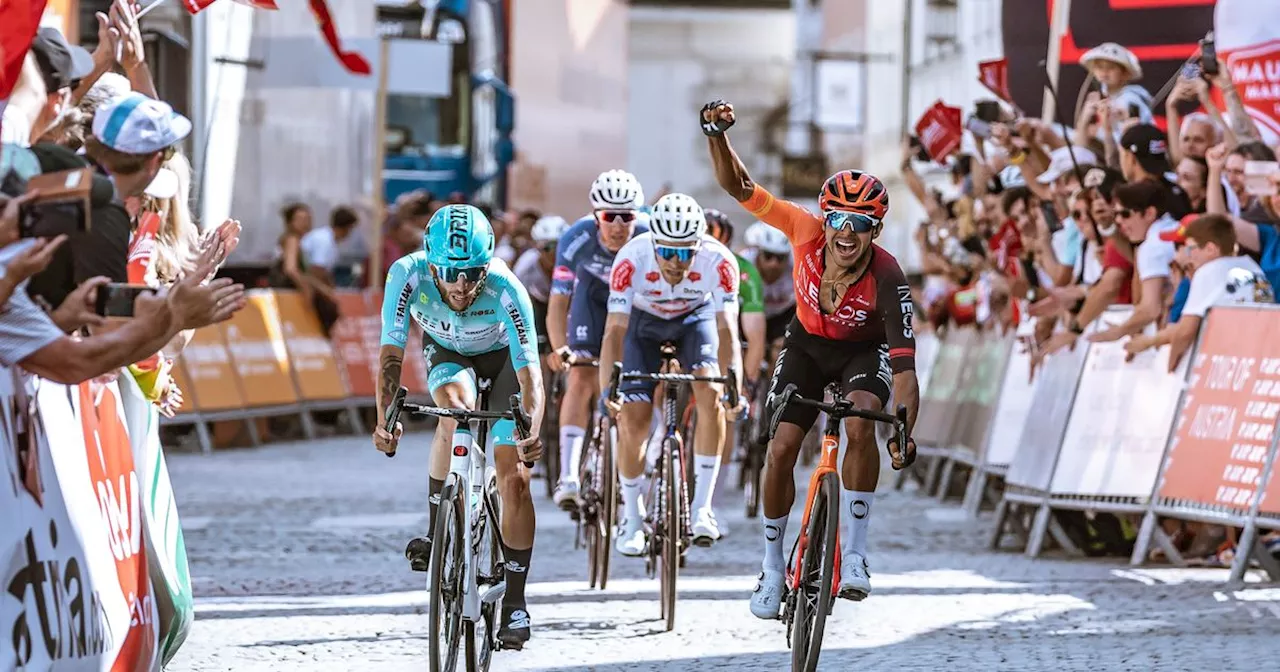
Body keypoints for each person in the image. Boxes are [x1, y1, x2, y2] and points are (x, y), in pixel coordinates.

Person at [701, 99, 919, 616]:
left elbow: (907, 370)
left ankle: (858, 554)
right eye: (838, 219)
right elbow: (741, 188)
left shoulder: (889, 277)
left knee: (863, 426)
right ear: (826, 219)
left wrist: (906, 433)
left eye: (860, 223)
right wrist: (716, 135)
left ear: (875, 230)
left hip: (862, 353)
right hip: (805, 346)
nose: (846, 232)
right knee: (780, 449)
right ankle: (773, 566)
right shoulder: (803, 230)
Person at [372, 204, 544, 649]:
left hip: (505, 361)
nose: (461, 286)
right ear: (431, 262)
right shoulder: (405, 275)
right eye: (449, 273)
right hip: (449, 353)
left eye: (472, 273)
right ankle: (438, 531)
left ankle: (516, 603)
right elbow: (390, 356)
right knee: (453, 411)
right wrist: (383, 420)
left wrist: (530, 433)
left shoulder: (508, 288)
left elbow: (531, 376)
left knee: (513, 477)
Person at [599, 193, 745, 552]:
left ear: (700, 246)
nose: (676, 263)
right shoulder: (631, 259)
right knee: (633, 419)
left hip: (695, 321)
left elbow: (728, 330)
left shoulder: (720, 261)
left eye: (685, 253)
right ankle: (632, 519)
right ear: (654, 244)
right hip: (642, 326)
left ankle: (702, 508)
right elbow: (615, 331)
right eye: (667, 252)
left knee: (712, 394)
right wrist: (609, 389)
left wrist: (734, 386)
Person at [545, 170, 649, 511]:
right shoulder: (575, 239)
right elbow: (558, 303)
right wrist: (561, 347)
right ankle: (569, 475)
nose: (618, 225)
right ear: (595, 216)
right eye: (609, 217)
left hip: (636, 304)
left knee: (649, 380)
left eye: (627, 216)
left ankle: (647, 459)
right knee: (581, 376)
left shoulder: (650, 236)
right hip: (593, 301)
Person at [1124, 214, 1273, 367]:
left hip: (1233, 356)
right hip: (1261, 353)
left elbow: (1185, 331)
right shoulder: (1251, 265)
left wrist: (1171, 368)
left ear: (1210, 249)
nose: (1188, 256)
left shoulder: (1209, 271)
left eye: (1190, 249)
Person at [704, 209, 766, 385]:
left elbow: (756, 337)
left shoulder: (744, 270)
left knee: (734, 340)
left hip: (730, 319)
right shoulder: (679, 262)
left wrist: (745, 384)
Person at [740, 225, 796, 360]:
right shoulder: (744, 263)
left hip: (781, 315)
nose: (773, 264)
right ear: (759, 253)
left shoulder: (796, 266)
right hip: (746, 313)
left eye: (780, 258)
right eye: (768, 255)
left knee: (782, 350)